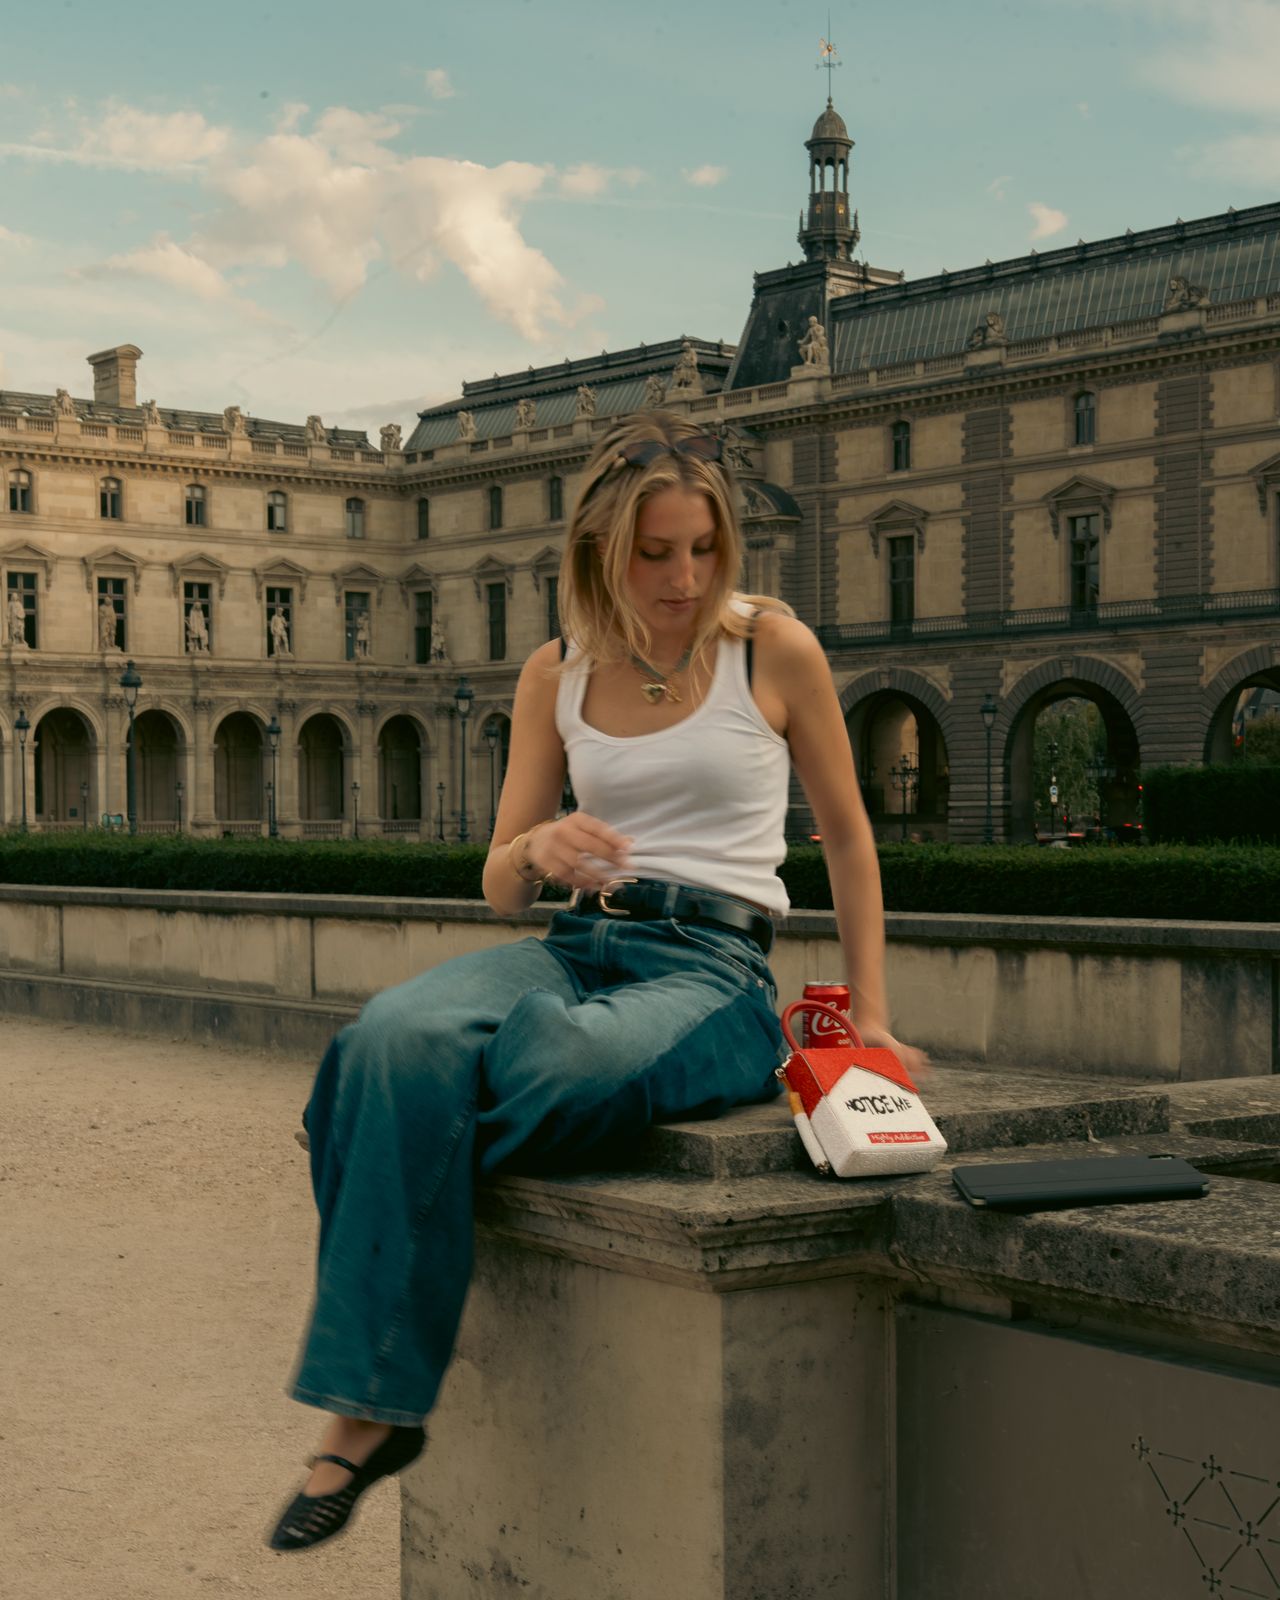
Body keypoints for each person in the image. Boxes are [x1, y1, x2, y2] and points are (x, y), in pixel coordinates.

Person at [266, 409, 926, 1552]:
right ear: (598, 552)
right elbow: (499, 884)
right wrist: (537, 846)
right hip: (573, 944)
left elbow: (848, 836)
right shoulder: (555, 672)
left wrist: (868, 1016)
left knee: (539, 1064)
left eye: (703, 548)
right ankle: (372, 1411)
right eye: (653, 552)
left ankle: (380, 1168)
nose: (684, 578)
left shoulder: (771, 648)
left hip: (712, 968)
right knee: (384, 1037)